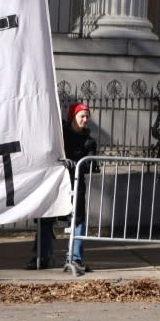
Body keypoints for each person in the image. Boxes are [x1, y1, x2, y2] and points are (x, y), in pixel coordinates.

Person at [62, 102, 98, 275]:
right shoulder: (61, 135)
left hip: (77, 184)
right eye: (81, 116)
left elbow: (91, 164)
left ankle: (75, 257)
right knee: (46, 218)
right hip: (58, 183)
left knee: (78, 219)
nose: (85, 119)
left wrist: (79, 164)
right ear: (73, 118)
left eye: (86, 116)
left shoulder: (89, 141)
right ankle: (40, 255)